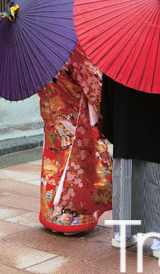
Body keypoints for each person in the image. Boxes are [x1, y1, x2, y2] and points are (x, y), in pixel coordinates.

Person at [101, 74, 160, 258]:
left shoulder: (114, 51)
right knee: (158, 180)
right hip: (158, 125)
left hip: (125, 125)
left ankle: (122, 234)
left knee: (125, 178)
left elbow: (106, 96)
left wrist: (112, 127)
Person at [38, 44, 113, 234]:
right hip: (74, 115)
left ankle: (50, 214)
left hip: (52, 114)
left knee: (54, 162)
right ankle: (69, 219)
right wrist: (106, 110)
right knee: (75, 164)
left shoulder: (39, 48)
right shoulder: (73, 47)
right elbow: (93, 83)